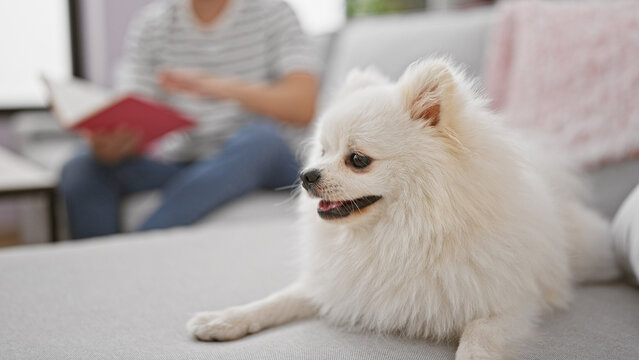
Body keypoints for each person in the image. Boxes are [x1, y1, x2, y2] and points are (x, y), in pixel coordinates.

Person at [59, 0, 318, 239]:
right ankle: (97, 269)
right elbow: (133, 108)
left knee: (261, 140)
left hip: (261, 157)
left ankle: (137, 247)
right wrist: (111, 141)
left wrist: (218, 87)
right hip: (186, 161)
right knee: (81, 167)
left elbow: (302, 106)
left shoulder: (273, 11)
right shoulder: (152, 23)